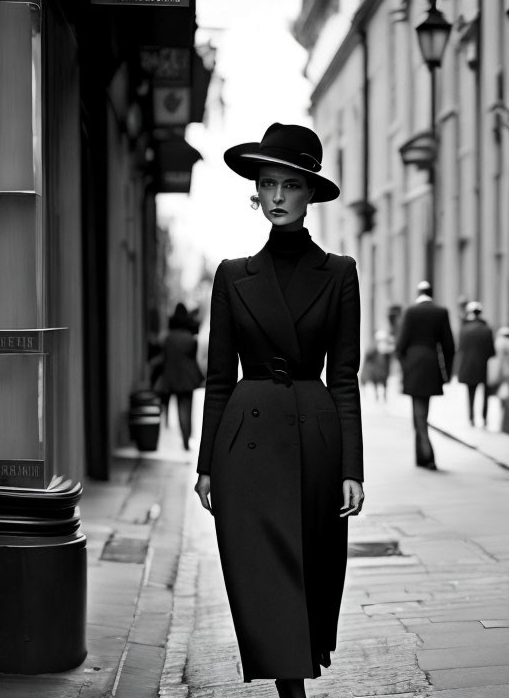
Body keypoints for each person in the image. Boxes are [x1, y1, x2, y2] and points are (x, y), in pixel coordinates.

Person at [193, 123, 365, 698]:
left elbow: (344, 377)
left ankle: (300, 663)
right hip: (245, 443)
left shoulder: (339, 272)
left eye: (290, 185)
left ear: (309, 193)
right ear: (256, 192)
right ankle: (289, 682)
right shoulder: (231, 275)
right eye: (267, 184)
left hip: (314, 437)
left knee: (312, 564)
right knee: (260, 571)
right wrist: (205, 466)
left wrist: (352, 468)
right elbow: (218, 381)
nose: (277, 196)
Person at [394, 280, 455, 470]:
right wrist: (447, 374)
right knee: (422, 412)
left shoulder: (411, 312)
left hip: (413, 365)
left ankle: (427, 455)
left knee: (418, 414)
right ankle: (421, 456)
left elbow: (400, 346)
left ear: (418, 292)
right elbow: (449, 347)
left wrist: (405, 368)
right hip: (431, 365)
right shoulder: (441, 312)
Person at [153, 303, 204, 450]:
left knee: (180, 409)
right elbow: (194, 355)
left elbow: (164, 357)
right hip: (188, 379)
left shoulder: (168, 338)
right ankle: (187, 439)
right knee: (187, 408)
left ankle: (185, 438)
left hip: (173, 378)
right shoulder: (189, 339)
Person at [456, 301, 496, 427]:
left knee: (471, 393)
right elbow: (492, 351)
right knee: (486, 394)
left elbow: (461, 347)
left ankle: (471, 418)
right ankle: (484, 418)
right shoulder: (487, 329)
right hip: (484, 366)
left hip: (469, 366)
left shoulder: (464, 329)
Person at [487, 326, 509, 431]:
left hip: (503, 373)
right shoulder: (508, 343)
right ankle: (504, 425)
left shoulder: (498, 341)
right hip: (507, 373)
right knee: (506, 399)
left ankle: (502, 424)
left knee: (502, 399)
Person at [361, 329, 392, 402]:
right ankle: (377, 395)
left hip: (384, 370)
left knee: (384, 382)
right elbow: (368, 356)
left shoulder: (387, 350)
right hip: (376, 371)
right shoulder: (374, 349)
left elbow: (389, 359)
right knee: (376, 382)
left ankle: (384, 395)